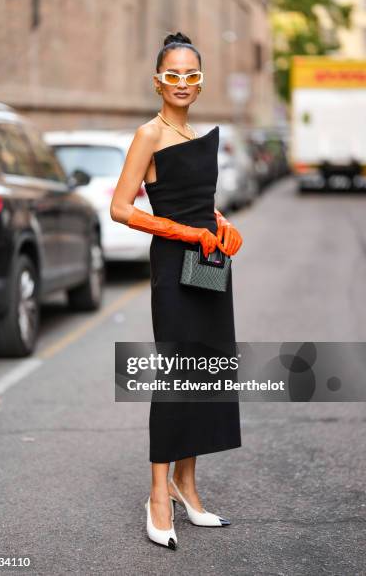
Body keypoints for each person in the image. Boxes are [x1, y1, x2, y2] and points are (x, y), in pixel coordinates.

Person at [110, 31, 243, 550]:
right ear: (158, 81)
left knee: (204, 372)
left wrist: (220, 222)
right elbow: (121, 208)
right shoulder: (149, 135)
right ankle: (157, 494)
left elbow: (194, 201)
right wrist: (184, 231)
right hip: (174, 267)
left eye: (191, 75)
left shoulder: (194, 137)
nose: (182, 83)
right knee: (174, 375)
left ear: (200, 81)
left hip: (210, 264)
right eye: (173, 75)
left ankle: (188, 486)